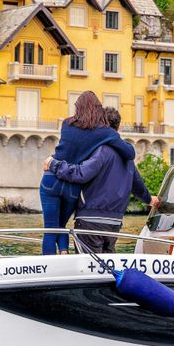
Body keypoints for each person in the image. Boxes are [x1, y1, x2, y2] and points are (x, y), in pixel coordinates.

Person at [45, 107, 159, 253]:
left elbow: (81, 173)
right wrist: (150, 200)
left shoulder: (101, 151)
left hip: (90, 220)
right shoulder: (127, 157)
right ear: (118, 127)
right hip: (115, 222)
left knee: (87, 264)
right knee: (106, 264)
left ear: (99, 125)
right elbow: (138, 187)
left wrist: (53, 164)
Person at [39, 92, 135, 255]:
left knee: (50, 228)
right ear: (98, 109)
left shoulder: (67, 124)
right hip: (73, 185)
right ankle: (63, 253)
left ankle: (50, 264)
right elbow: (130, 153)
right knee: (61, 226)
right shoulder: (105, 132)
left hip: (52, 178)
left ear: (78, 107)